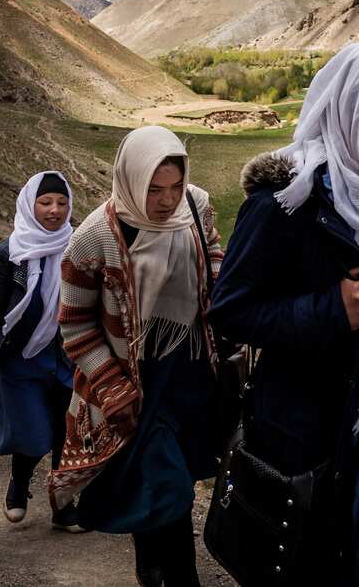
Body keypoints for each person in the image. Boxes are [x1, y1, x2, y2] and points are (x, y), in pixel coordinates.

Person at [210, 42, 359, 586]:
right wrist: (328, 311)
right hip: (305, 437)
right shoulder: (285, 202)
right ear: (355, 108)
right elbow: (231, 312)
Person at [48, 126, 223, 587]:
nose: (166, 201)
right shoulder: (93, 239)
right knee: (171, 487)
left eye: (174, 187)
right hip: (136, 379)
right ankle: (182, 579)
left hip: (190, 373)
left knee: (169, 477)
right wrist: (110, 386)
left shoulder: (196, 205)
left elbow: (214, 256)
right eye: (153, 188)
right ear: (130, 178)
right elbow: (75, 323)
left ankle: (150, 558)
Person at [0, 170, 82, 531]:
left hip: (65, 357)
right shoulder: (8, 257)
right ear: (29, 205)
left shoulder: (77, 248)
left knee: (66, 433)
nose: (54, 211)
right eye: (45, 202)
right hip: (19, 360)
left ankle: (63, 505)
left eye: (62, 203)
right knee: (34, 434)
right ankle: (19, 482)